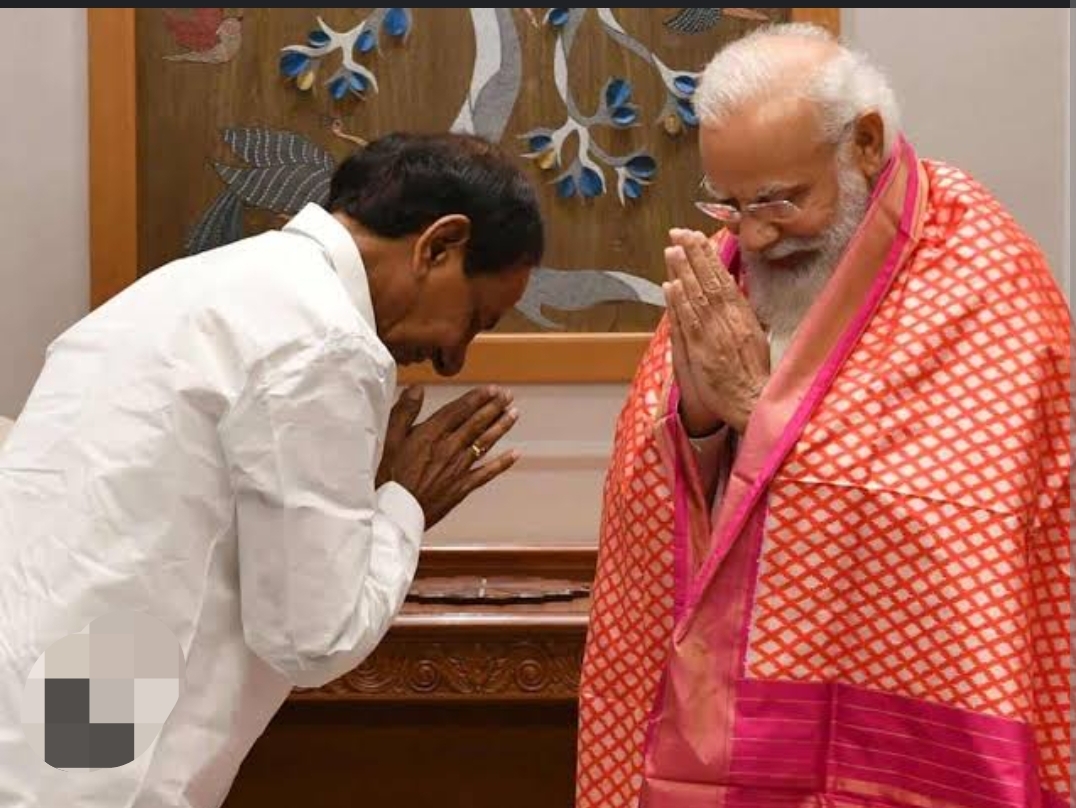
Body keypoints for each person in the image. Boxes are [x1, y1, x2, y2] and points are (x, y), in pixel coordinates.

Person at [578, 23, 1070, 808]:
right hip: (738, 718)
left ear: (865, 143)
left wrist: (757, 411)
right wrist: (699, 421)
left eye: (781, 200)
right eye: (730, 203)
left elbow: (955, 522)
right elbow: (651, 500)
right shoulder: (725, 270)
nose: (755, 234)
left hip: (898, 717)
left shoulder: (978, 269)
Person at [0, 131, 543, 806]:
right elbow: (313, 638)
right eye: (475, 318)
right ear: (439, 246)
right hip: (91, 768)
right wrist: (403, 503)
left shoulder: (186, 287)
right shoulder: (325, 340)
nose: (454, 357)